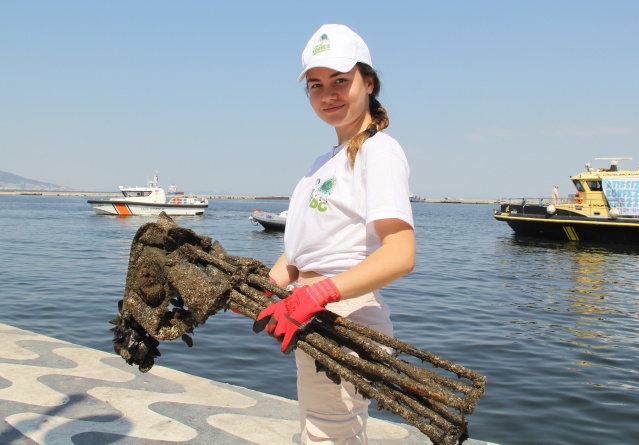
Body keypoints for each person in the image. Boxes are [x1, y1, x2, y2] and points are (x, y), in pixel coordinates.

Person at [253, 24, 416, 444]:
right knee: (323, 431)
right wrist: (261, 292)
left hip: (348, 314)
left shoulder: (379, 151)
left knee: (329, 436)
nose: (328, 95)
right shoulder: (321, 163)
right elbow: (296, 256)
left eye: (341, 81)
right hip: (308, 312)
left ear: (369, 82)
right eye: (316, 85)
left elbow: (400, 254)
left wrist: (319, 293)